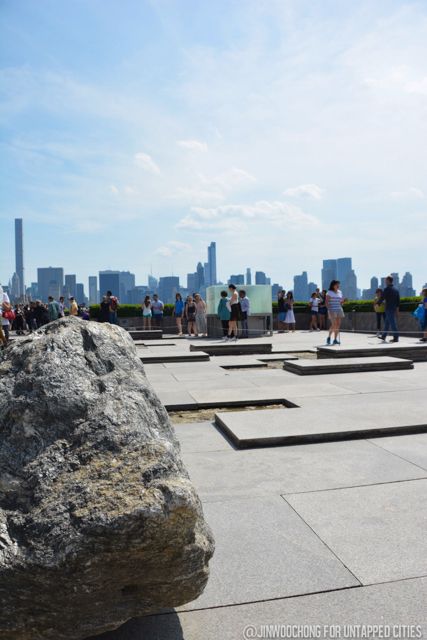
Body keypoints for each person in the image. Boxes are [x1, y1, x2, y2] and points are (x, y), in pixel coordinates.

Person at [379, 276, 400, 343]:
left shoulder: (387, 289)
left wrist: (378, 303)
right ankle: (383, 336)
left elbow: (382, 297)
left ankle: (396, 337)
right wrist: (397, 310)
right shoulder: (396, 290)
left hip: (388, 308)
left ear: (388, 281)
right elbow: (398, 301)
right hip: (393, 308)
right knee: (387, 323)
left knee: (392, 323)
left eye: (386, 280)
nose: (385, 282)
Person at [326, 280, 346, 345]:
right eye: (336, 284)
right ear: (333, 285)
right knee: (334, 324)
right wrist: (330, 310)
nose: (338, 286)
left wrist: (343, 301)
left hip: (339, 309)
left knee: (338, 325)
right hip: (332, 310)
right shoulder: (329, 292)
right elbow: (326, 302)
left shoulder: (340, 292)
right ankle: (329, 337)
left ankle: (335, 339)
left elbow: (340, 302)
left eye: (338, 284)